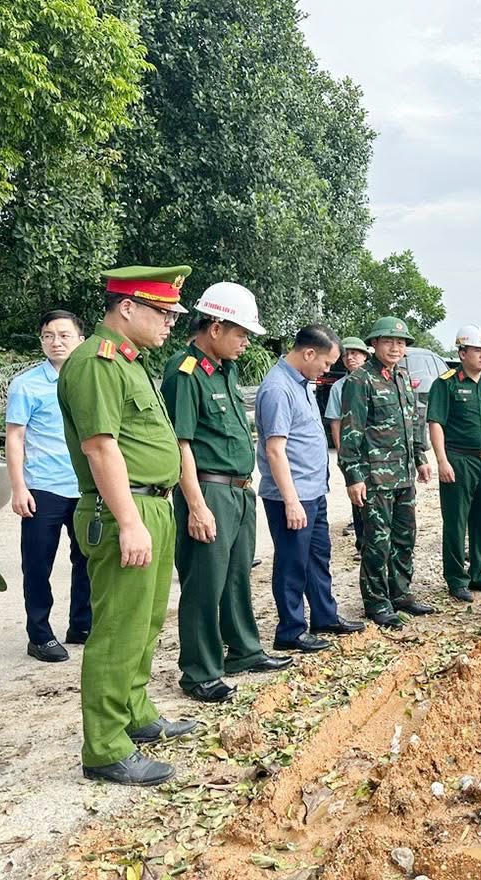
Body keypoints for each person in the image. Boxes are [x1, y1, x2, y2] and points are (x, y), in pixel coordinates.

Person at [57, 265, 196, 786]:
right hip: (125, 512)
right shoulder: (97, 363)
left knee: (145, 623)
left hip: (150, 507)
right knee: (117, 631)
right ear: (127, 307)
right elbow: (100, 447)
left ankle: (135, 716)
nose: (170, 324)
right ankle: (106, 748)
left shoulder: (133, 364)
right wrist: (130, 521)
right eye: (163, 313)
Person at [161, 283, 292, 704]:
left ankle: (243, 651)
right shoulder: (184, 371)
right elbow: (181, 443)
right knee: (204, 582)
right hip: (209, 492)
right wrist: (196, 505)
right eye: (241, 332)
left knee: (236, 576)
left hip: (239, 491)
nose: (245, 341)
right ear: (215, 327)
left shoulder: (226, 369)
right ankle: (199, 671)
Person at [257, 325, 364, 652]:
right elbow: (276, 450)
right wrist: (291, 502)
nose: (328, 369)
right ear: (308, 353)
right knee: (292, 563)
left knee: (318, 557)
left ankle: (324, 614)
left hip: (312, 492)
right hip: (292, 496)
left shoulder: (302, 382)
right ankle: (290, 631)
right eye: (327, 363)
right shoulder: (278, 388)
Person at [339, 316, 434, 628]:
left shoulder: (402, 377)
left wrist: (420, 457)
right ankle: (377, 602)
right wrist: (353, 477)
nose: (396, 347)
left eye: (401, 342)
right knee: (377, 542)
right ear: (374, 344)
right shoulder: (360, 380)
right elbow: (351, 433)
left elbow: (414, 422)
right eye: (389, 341)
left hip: (404, 475)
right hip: (376, 478)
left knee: (405, 537)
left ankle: (400, 592)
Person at [6, 310, 90, 662]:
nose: (56, 342)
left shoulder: (90, 380)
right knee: (38, 563)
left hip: (85, 487)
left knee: (87, 560)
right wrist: (18, 488)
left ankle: (82, 625)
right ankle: (39, 634)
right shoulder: (27, 385)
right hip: (43, 489)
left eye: (64, 335)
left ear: (80, 340)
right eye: (48, 335)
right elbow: (15, 437)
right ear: (41, 340)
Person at [427, 325, 481, 602]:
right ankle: (456, 578)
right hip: (458, 459)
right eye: (477, 350)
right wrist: (442, 460)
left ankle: (480, 572)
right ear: (462, 352)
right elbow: (436, 423)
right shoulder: (446, 383)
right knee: (455, 522)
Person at [325, 336, 371, 558]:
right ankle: (362, 544)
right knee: (358, 498)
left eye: (355, 353)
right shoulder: (339, 387)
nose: (350, 358)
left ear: (365, 356)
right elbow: (335, 422)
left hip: (375, 453)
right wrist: (343, 452)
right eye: (346, 354)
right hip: (353, 453)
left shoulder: (375, 381)